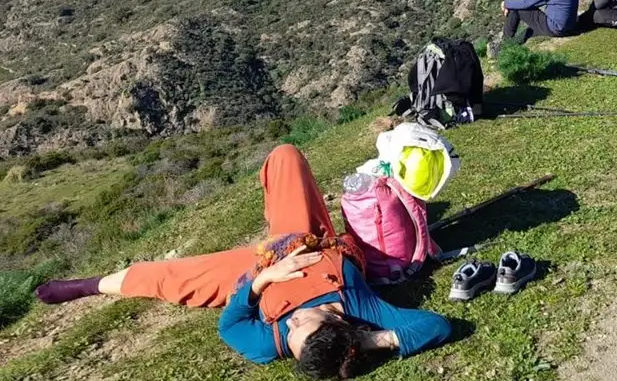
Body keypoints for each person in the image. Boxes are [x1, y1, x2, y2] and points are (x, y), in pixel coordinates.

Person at [34, 145, 452, 379]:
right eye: (299, 327)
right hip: (309, 239)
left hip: (252, 273)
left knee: (170, 277)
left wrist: (262, 280)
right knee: (285, 156)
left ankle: (89, 285)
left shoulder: (269, 345)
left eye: (289, 338)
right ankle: (278, 216)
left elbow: (230, 324)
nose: (289, 325)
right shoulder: (358, 308)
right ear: (334, 321)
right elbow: (437, 325)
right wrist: (370, 337)